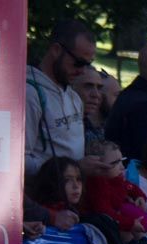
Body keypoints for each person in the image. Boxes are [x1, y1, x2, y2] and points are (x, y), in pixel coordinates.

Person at [25, 20, 105, 178]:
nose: (82, 71)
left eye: (87, 65)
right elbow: (20, 162)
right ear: (56, 50)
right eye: (78, 63)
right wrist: (75, 168)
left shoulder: (73, 95)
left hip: (73, 195)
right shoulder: (31, 94)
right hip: (45, 198)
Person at [71, 65, 106, 147]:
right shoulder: (64, 128)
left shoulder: (95, 129)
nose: (96, 94)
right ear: (72, 88)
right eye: (88, 86)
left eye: (99, 88)